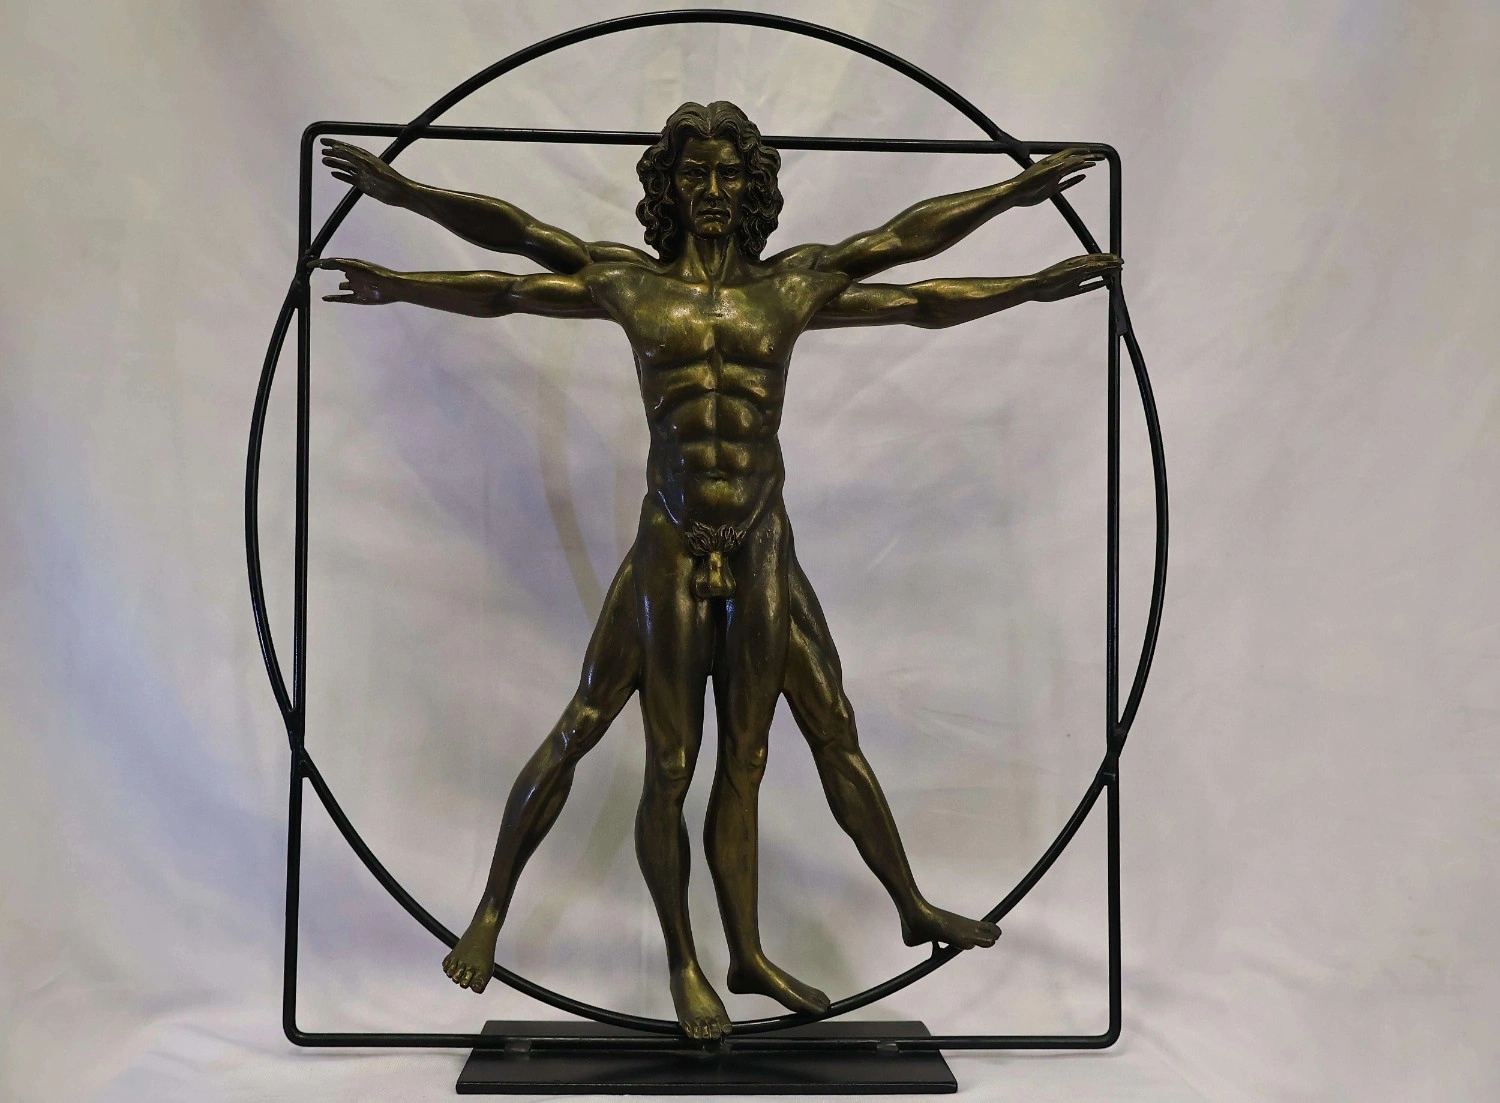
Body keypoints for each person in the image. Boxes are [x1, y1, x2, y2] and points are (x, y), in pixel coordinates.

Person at [317, 101, 1116, 1040]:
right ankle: (631, 948)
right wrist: (402, 217)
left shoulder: (791, 285)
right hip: (672, 540)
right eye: (692, 173)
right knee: (649, 751)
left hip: (761, 538)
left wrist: (1024, 227)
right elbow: (515, 269)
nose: (710, 190)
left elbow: (911, 276)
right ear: (667, 185)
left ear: (753, 187)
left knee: (809, 732)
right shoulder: (630, 284)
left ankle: (861, 918)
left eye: (728, 174)